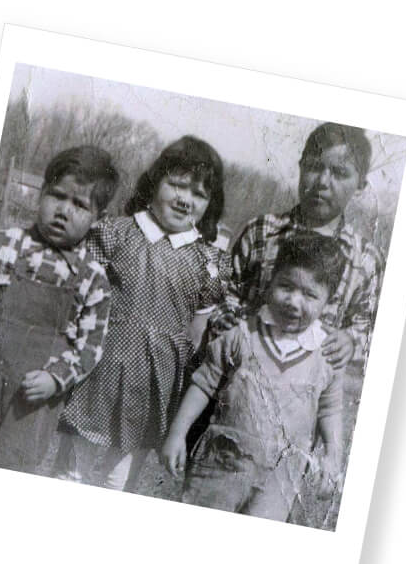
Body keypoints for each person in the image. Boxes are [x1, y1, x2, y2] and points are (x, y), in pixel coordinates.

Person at [57, 136, 231, 490]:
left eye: (199, 194)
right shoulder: (115, 234)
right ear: (154, 184)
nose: (185, 199)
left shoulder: (210, 263)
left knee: (118, 482)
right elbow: (78, 299)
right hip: (97, 375)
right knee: (69, 473)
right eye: (177, 185)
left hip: (153, 387)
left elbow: (196, 336)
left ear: (210, 204)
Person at [0, 146, 119, 473]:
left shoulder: (93, 278)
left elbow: (90, 348)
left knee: (12, 467)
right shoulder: (2, 244)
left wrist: (56, 379)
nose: (63, 211)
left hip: (32, 399)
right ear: (41, 193)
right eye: (57, 196)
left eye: (79, 205)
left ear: (98, 219)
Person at [161, 232, 347, 525]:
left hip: (280, 480)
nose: (294, 302)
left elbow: (331, 410)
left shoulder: (327, 354)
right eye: (286, 286)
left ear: (328, 300)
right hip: (221, 465)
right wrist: (177, 434)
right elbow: (203, 384)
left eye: (310, 295)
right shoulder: (242, 333)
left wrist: (332, 459)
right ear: (271, 280)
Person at [211, 122, 384, 370]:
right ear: (301, 168)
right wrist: (230, 323)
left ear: (360, 186)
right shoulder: (260, 232)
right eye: (314, 167)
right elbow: (224, 294)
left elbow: (364, 327)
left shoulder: (366, 260)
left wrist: (351, 341)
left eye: (339, 172)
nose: (323, 181)